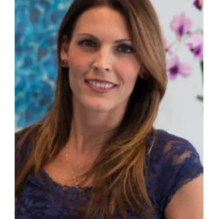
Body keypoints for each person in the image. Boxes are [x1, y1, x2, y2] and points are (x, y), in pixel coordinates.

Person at [15, 0, 203, 218]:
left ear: (143, 63)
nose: (102, 63)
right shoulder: (17, 152)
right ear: (65, 50)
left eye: (125, 48)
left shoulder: (173, 166)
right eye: (89, 43)